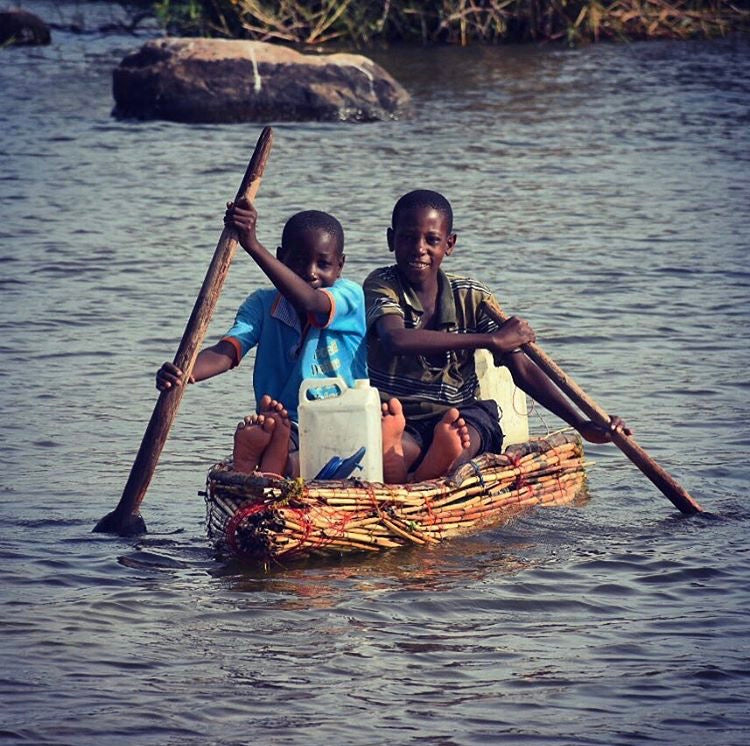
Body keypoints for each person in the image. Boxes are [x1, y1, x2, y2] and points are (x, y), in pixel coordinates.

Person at [364, 189, 629, 484]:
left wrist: (580, 423)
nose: (419, 249)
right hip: (400, 417)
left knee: (472, 430)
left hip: (458, 415)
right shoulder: (382, 284)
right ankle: (407, 458)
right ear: (391, 239)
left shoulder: (474, 296)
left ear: (450, 244)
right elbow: (395, 339)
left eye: (432, 240)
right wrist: (490, 340)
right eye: (408, 238)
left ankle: (432, 462)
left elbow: (523, 369)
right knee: (399, 442)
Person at [156, 197, 368, 476]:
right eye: (299, 262)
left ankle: (268, 462)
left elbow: (313, 304)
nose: (310, 273)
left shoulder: (348, 296)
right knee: (276, 442)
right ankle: (265, 460)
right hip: (285, 422)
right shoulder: (262, 304)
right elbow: (228, 352)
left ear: (340, 266)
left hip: (340, 418)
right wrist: (183, 372)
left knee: (298, 463)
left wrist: (253, 245)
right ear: (281, 259)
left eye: (323, 264)